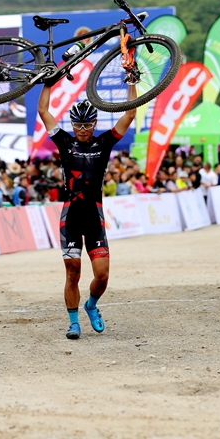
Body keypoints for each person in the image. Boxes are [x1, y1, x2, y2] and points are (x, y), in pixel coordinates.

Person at [37, 80, 136, 341]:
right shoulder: (64, 142)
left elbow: (130, 113)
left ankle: (91, 305)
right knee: (73, 272)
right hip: (71, 217)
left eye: (87, 125)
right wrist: (47, 85)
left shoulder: (104, 143)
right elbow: (44, 112)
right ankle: (73, 323)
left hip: (94, 216)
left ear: (94, 124)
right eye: (78, 125)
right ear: (72, 125)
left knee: (102, 276)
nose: (82, 130)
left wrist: (132, 83)